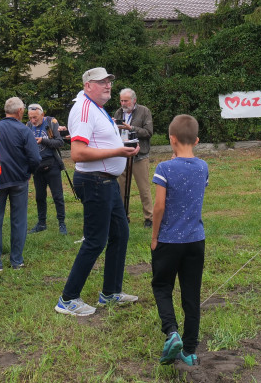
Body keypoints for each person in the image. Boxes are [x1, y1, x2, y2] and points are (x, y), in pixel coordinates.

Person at [55, 67, 140, 317]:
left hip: (106, 181)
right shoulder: (83, 109)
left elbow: (98, 142)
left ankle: (110, 292)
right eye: (101, 82)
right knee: (95, 240)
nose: (107, 85)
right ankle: (68, 299)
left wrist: (121, 146)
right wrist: (117, 152)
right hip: (94, 181)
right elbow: (78, 153)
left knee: (121, 234)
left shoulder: (97, 108)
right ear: (87, 85)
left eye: (109, 81)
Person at [150, 115, 208, 367]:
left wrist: (154, 236)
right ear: (196, 140)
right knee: (191, 293)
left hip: (168, 241)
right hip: (196, 240)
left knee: (162, 286)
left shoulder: (164, 168)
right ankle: (191, 349)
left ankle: (172, 332)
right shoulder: (203, 166)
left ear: (171, 139)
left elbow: (159, 206)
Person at [0, 97, 41, 271]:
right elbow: (35, 158)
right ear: (19, 112)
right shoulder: (24, 130)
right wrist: (28, 173)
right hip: (19, 180)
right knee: (19, 220)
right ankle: (16, 260)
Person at [114, 88, 154, 228]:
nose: (123, 103)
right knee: (122, 187)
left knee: (144, 188)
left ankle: (149, 217)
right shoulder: (119, 112)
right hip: (122, 154)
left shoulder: (144, 111)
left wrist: (130, 128)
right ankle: (124, 215)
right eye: (121, 100)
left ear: (134, 100)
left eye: (126, 100)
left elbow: (148, 132)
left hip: (139, 155)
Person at [27, 103, 67, 235]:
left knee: (57, 196)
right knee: (39, 197)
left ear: (42, 115)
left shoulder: (51, 122)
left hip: (52, 164)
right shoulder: (28, 126)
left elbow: (59, 142)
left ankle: (62, 223)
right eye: (31, 118)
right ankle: (41, 223)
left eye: (35, 118)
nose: (33, 121)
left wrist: (43, 140)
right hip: (37, 166)